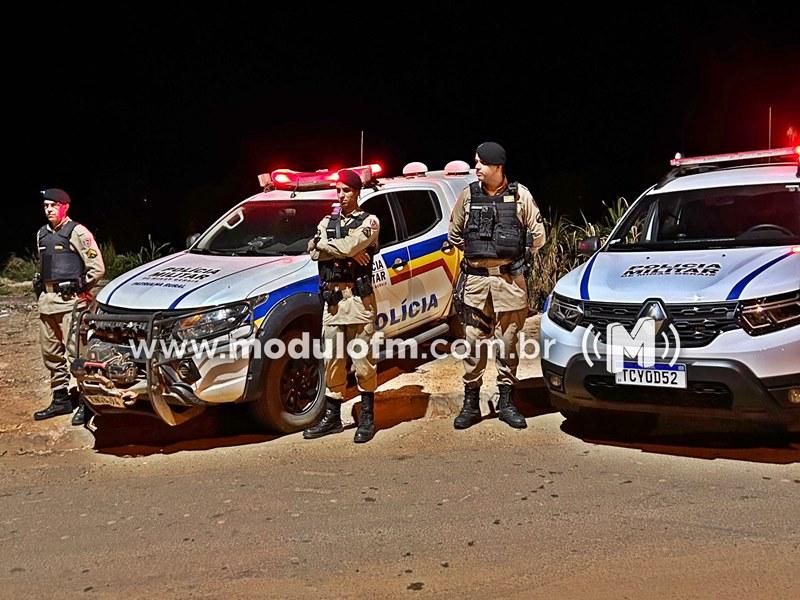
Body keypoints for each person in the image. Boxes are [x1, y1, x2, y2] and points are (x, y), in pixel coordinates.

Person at [447, 142, 546, 429]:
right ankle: (471, 403)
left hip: (509, 282)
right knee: (473, 345)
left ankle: (506, 402)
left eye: (480, 163)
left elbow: (538, 236)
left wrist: (514, 253)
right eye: (475, 162)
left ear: (497, 167)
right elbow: (454, 234)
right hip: (476, 283)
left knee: (509, 344)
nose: (475, 167)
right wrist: (480, 251)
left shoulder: (520, 195)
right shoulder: (468, 195)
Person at [303, 169, 381, 443]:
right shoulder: (327, 221)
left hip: (358, 302)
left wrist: (333, 246)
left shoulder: (370, 221)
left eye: (346, 190)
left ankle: (368, 417)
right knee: (333, 362)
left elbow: (349, 246)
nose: (341, 195)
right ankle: (333, 417)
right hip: (333, 303)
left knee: (362, 363)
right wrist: (341, 248)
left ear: (357, 192)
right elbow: (312, 249)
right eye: (338, 190)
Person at [32, 188, 105, 425]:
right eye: (45, 206)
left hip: (70, 303)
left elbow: (97, 267)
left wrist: (80, 284)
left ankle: (87, 401)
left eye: (53, 205)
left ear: (65, 206)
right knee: (51, 354)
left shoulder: (77, 232)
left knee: (77, 353)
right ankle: (61, 398)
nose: (49, 209)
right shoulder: (42, 234)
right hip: (47, 302)